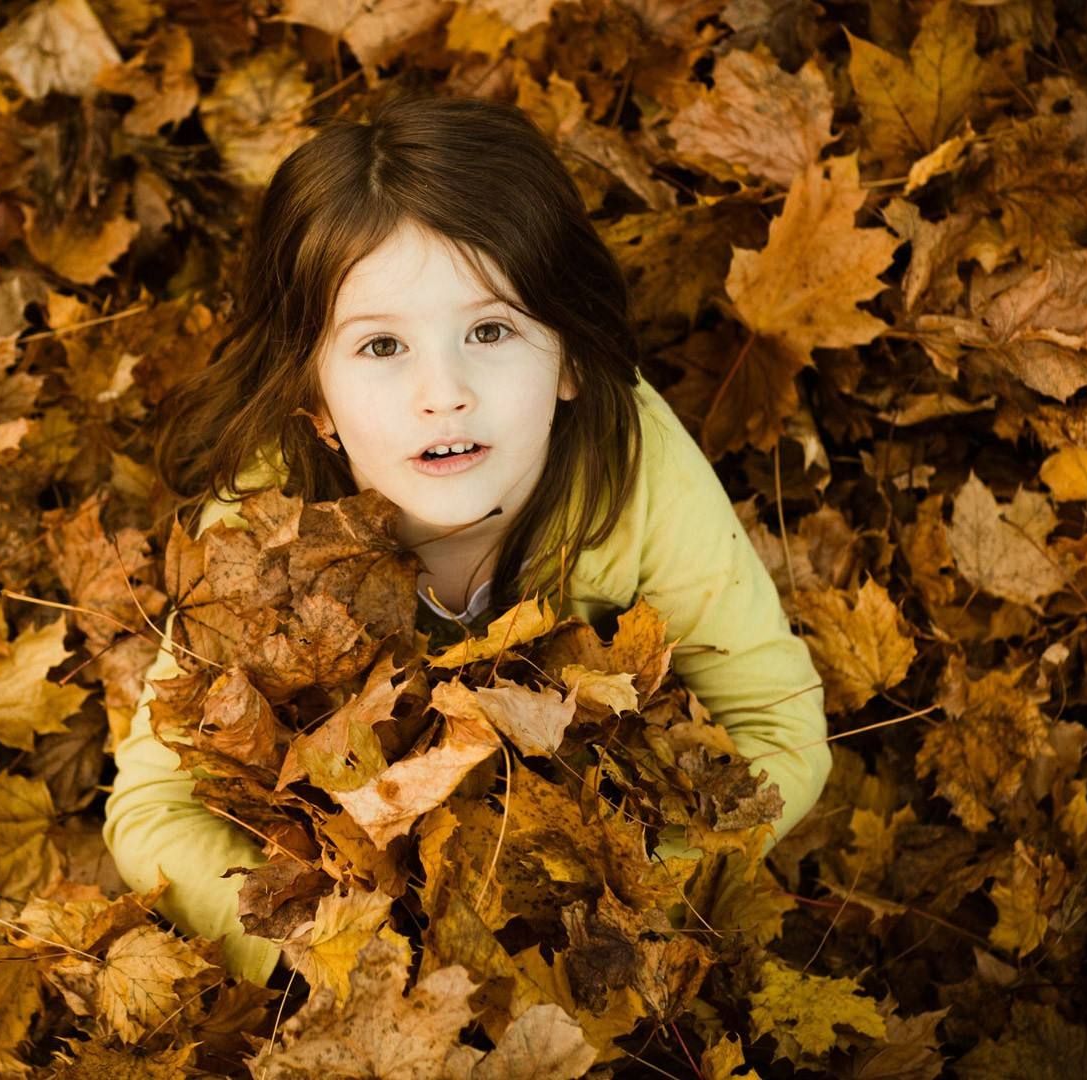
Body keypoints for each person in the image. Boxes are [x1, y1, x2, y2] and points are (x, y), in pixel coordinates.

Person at [101, 92, 831, 987]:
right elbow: (150, 810)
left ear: (568, 358)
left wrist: (617, 905)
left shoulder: (629, 468)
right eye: (380, 348)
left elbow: (781, 730)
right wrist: (343, 956)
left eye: (489, 330)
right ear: (316, 398)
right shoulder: (267, 526)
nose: (442, 392)